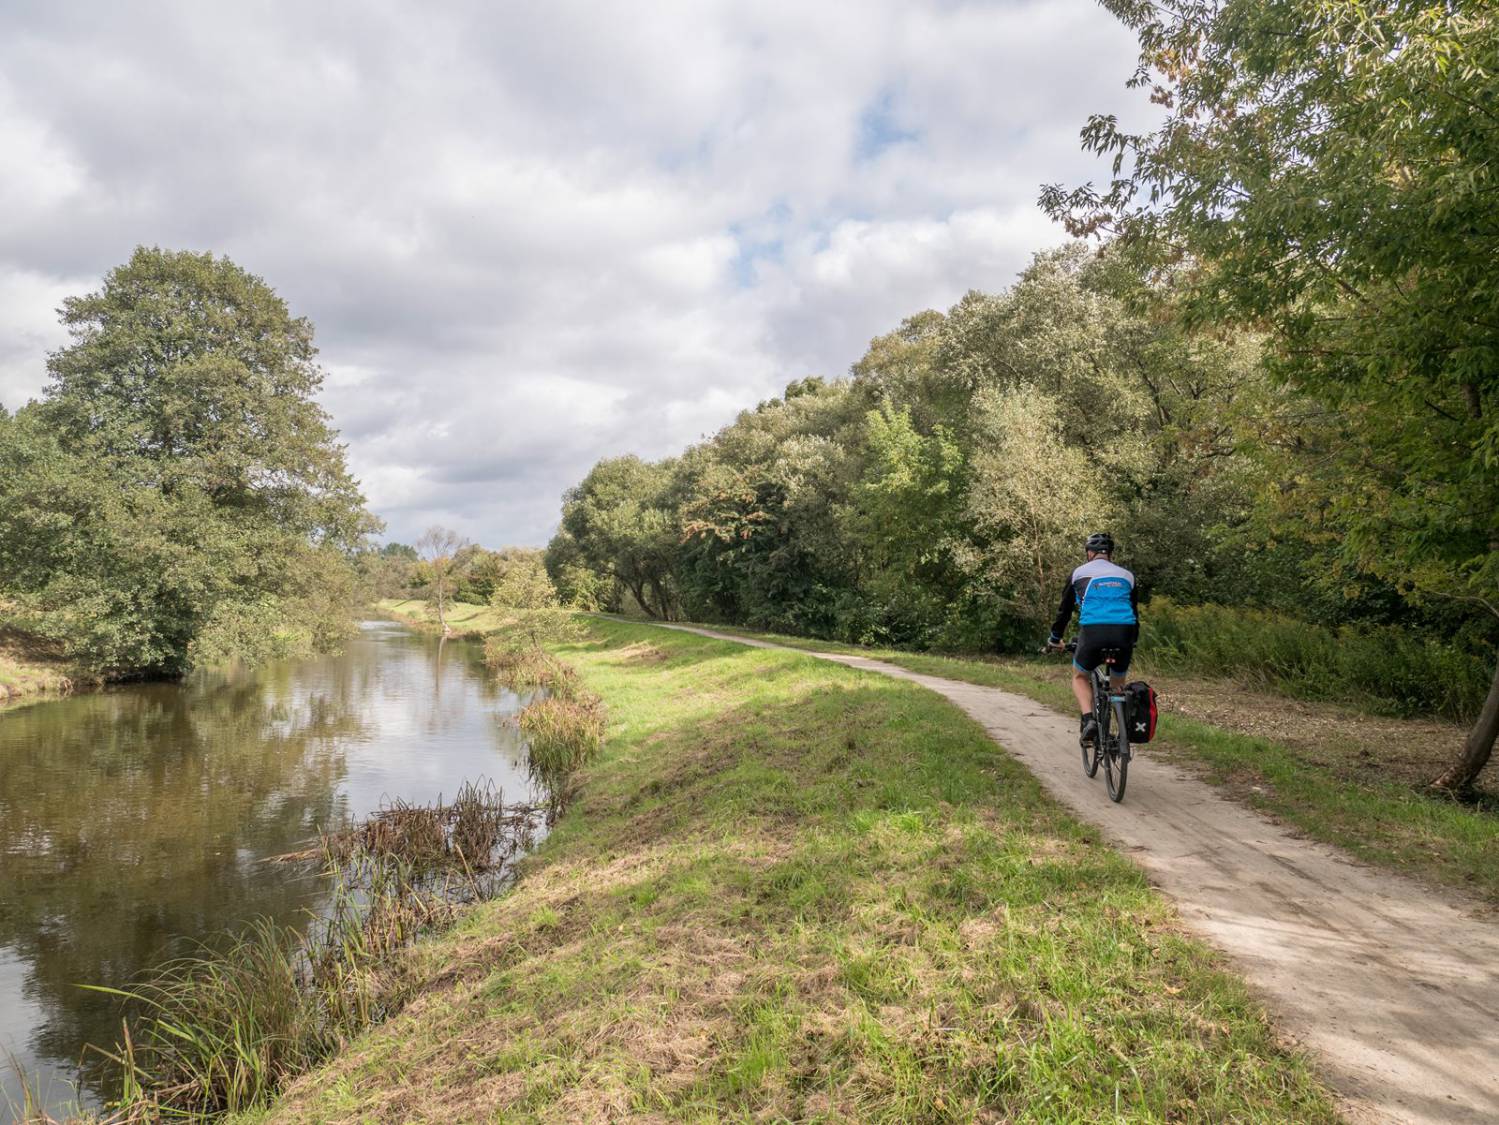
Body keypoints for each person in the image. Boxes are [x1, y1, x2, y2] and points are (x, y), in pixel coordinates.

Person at [1046, 532, 1139, 746]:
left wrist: (1055, 638)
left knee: (1080, 676)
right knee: (1117, 683)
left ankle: (1089, 720)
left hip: (1093, 632)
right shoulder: (1127, 576)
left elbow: (1064, 612)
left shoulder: (1078, 573)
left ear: (1089, 553)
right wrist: (1132, 640)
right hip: (1123, 633)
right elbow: (1134, 612)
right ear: (1110, 554)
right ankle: (1122, 731)